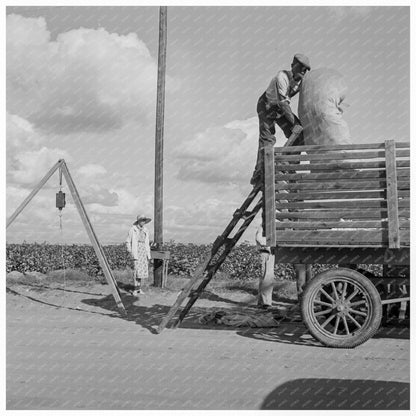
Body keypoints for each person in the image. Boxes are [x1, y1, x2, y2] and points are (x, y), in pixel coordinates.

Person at [250, 53, 311, 186]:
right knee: (267, 139)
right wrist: (295, 124)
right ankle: (260, 173)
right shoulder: (282, 77)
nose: (303, 71)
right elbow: (283, 103)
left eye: (306, 69)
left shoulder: (301, 82)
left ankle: (289, 166)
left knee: (299, 136)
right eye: (300, 67)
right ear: (292, 66)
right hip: (266, 106)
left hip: (280, 109)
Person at [126, 213, 152, 296]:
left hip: (143, 250)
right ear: (138, 221)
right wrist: (130, 251)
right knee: (136, 270)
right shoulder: (132, 229)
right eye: (142, 220)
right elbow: (128, 241)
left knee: (141, 271)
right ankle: (135, 289)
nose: (143, 222)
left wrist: (148, 255)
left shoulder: (146, 230)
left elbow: (147, 242)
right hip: (136, 250)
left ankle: (139, 288)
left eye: (144, 220)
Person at [255, 225, 275, 309]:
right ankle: (265, 303)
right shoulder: (263, 227)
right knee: (267, 277)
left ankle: (262, 302)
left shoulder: (266, 227)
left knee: (266, 277)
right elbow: (259, 238)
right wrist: (269, 246)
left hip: (268, 253)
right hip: (266, 252)